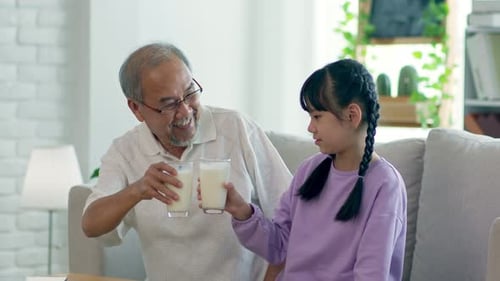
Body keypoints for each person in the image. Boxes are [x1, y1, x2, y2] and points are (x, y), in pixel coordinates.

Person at [81, 42, 292, 281]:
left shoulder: (236, 128)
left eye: (190, 93)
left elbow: (295, 218)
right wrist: (137, 190)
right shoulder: (125, 151)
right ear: (136, 109)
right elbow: (91, 224)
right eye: (169, 104)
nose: (185, 112)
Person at [219, 59, 407, 280]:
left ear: (352, 115)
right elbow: (278, 247)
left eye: (317, 116)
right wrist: (242, 212)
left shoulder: (385, 185)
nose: (310, 127)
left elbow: (371, 274)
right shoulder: (309, 170)